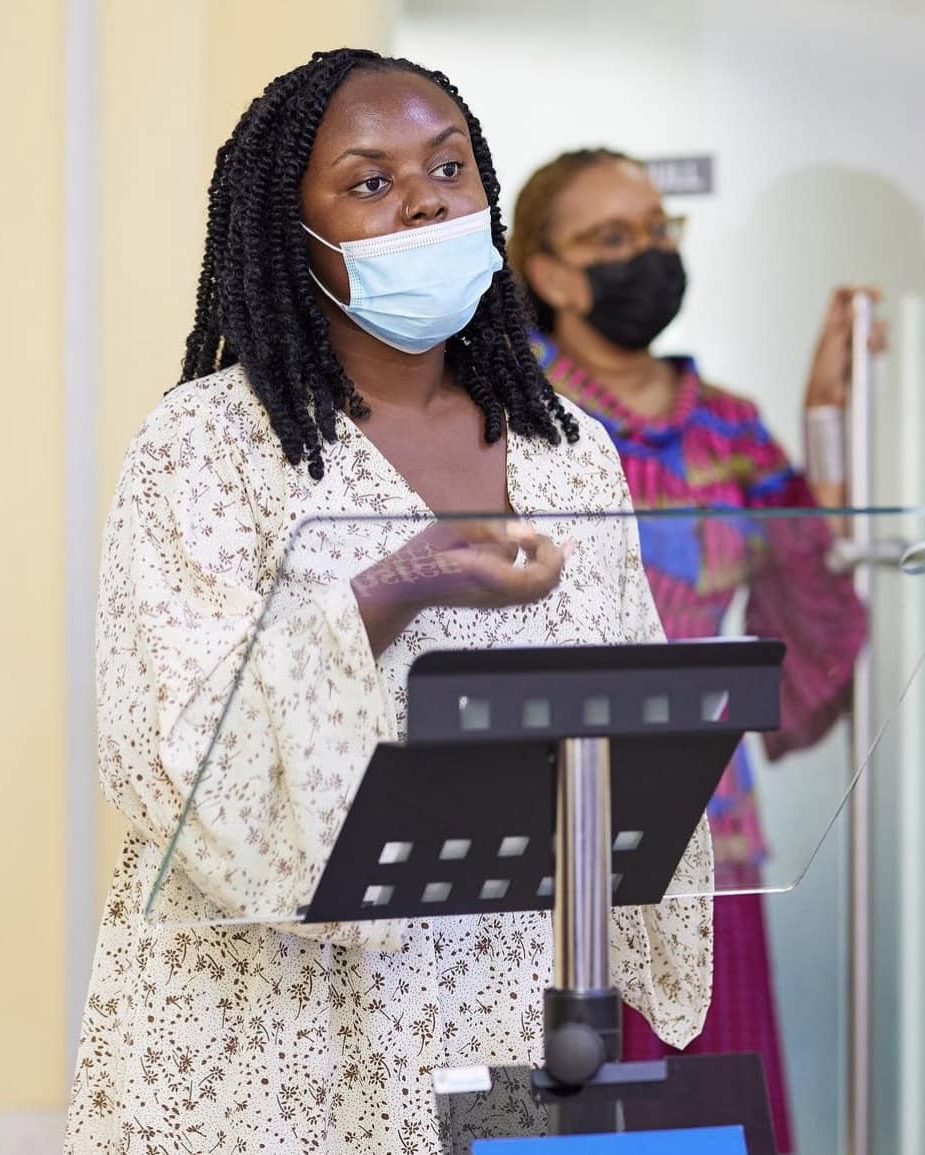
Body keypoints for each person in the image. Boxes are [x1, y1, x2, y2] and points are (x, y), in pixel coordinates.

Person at [64, 55, 714, 1155]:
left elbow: (622, 718)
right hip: (275, 1026)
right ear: (289, 232)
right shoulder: (210, 446)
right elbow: (167, 751)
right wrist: (398, 586)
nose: (424, 199)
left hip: (513, 1006)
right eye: (369, 182)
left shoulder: (568, 450)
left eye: (449, 168)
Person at [509, 147, 874, 1154]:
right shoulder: (507, 414)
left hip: (706, 827)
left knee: (709, 1112)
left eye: (658, 232)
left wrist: (827, 426)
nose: (646, 256)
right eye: (611, 239)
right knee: (549, 1115)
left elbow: (809, 597)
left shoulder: (730, 425)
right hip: (535, 832)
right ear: (546, 271)